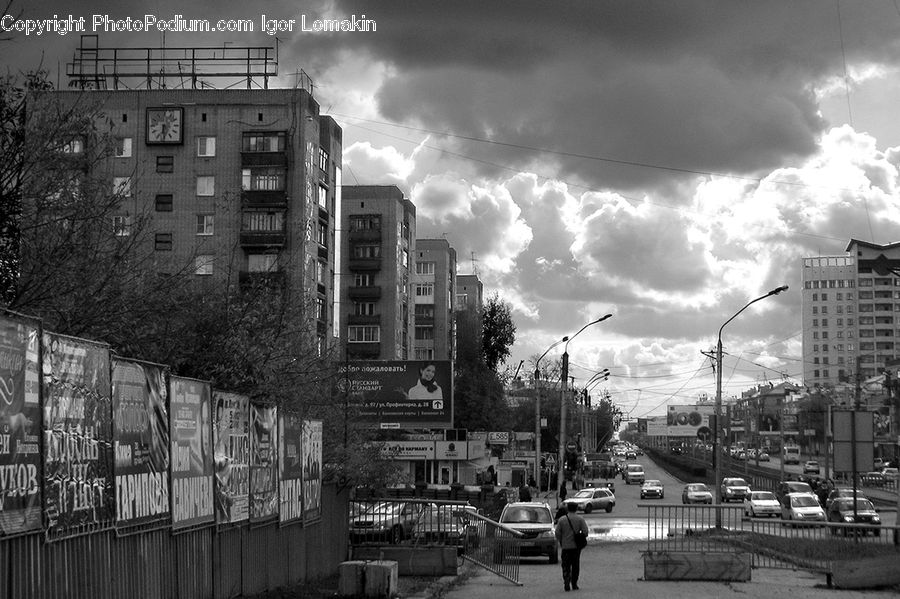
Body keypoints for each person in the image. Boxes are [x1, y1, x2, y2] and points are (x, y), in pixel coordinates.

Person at [555, 502, 588, 591]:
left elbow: (557, 533)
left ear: (567, 509)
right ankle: (574, 583)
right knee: (575, 565)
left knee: (565, 565)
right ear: (576, 508)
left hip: (565, 546)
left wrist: (561, 540)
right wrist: (579, 535)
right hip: (576, 547)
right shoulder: (580, 519)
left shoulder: (562, 520)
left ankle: (566, 580)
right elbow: (585, 532)